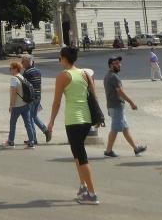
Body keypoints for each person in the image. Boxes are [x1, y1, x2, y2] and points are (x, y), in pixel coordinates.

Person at [47, 45, 102, 206]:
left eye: (60, 58)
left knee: (81, 156)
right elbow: (94, 96)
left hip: (74, 120)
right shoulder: (85, 74)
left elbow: (56, 102)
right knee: (77, 154)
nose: (60, 60)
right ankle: (83, 186)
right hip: (86, 120)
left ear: (64, 59)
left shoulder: (63, 76)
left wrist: (51, 122)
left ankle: (92, 194)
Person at [102, 56, 147, 158]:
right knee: (114, 129)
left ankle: (136, 148)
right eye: (116, 63)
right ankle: (108, 150)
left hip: (113, 106)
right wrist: (131, 102)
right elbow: (120, 92)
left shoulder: (107, 76)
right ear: (111, 65)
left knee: (125, 128)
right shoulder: (114, 77)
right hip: (116, 106)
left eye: (119, 63)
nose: (119, 65)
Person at [4, 60, 36, 148]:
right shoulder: (21, 77)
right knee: (28, 123)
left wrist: (11, 105)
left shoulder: (14, 79)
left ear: (15, 69)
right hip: (25, 104)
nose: (9, 70)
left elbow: (14, 93)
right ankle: (31, 142)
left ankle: (11, 142)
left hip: (17, 105)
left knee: (13, 123)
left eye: (10, 68)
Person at [20, 55, 51, 143]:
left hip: (31, 98)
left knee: (30, 118)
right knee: (34, 117)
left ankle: (33, 139)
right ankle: (46, 131)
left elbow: (25, 87)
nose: (22, 63)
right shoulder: (38, 71)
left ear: (27, 62)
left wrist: (24, 98)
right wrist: (39, 96)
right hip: (38, 96)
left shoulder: (26, 73)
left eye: (23, 62)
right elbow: (39, 85)